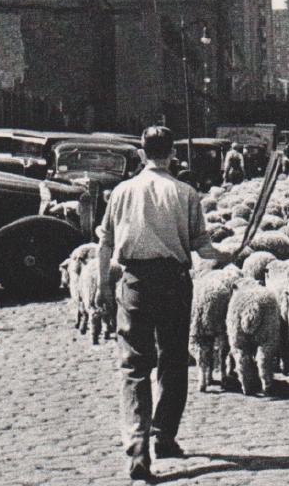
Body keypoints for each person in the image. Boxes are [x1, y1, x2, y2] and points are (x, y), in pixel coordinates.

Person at [96, 126, 235, 482]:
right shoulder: (185, 193)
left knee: (134, 366)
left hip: (135, 284)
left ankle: (138, 446)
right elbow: (203, 249)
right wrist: (230, 253)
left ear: (141, 154)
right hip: (173, 284)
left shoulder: (122, 192)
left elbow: (105, 244)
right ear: (171, 154)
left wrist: (102, 286)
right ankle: (164, 435)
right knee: (173, 360)